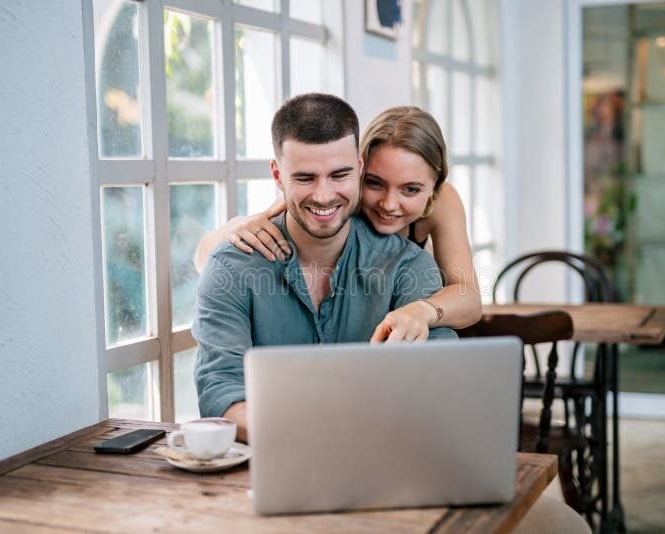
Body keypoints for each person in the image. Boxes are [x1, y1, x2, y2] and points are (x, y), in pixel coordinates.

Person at [193, 94, 457, 442]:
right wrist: (314, 432)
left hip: (382, 456)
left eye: (339, 175)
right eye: (304, 178)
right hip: (269, 464)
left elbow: (438, 381)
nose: (323, 195)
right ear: (277, 174)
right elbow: (220, 392)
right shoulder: (232, 266)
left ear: (360, 167)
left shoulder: (407, 264)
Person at [194, 106, 483, 343]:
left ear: (434, 185)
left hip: (417, 311)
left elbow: (468, 297)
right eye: (374, 183)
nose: (389, 204)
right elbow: (206, 258)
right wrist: (235, 226)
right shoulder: (332, 201)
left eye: (411, 190)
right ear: (358, 169)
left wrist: (423, 309)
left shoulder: (443, 202)